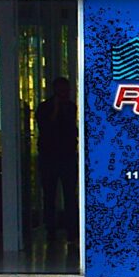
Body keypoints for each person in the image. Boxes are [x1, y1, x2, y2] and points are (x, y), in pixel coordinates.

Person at [35, 77, 79, 248]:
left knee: (70, 195)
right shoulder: (44, 108)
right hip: (49, 156)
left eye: (66, 90)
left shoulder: (70, 107)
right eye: (61, 90)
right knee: (49, 195)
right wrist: (55, 109)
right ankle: (50, 229)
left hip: (67, 155)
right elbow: (45, 127)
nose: (64, 94)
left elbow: (71, 129)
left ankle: (71, 230)